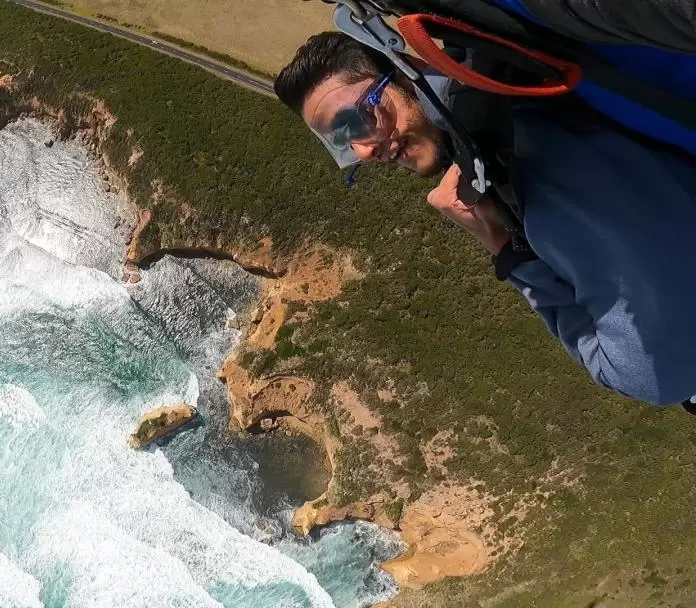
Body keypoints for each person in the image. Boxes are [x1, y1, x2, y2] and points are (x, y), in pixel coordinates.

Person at [273, 28, 696, 406]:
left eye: (362, 116)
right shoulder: (503, 86)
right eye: (344, 141)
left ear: (404, 69)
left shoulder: (521, 168)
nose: (365, 149)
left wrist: (506, 251)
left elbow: (646, 377)